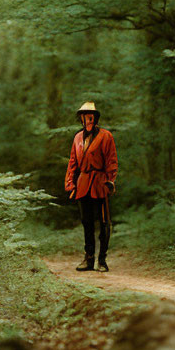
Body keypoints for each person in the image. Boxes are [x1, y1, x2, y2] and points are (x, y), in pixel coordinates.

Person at [65, 101, 118, 272]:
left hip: (100, 183)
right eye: (85, 116)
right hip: (83, 183)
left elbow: (111, 160)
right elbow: (72, 163)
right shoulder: (77, 138)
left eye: (91, 116)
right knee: (86, 222)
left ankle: (102, 260)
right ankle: (88, 259)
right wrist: (70, 184)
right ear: (81, 118)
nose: (88, 119)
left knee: (103, 223)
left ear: (95, 118)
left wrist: (110, 180)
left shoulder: (105, 136)